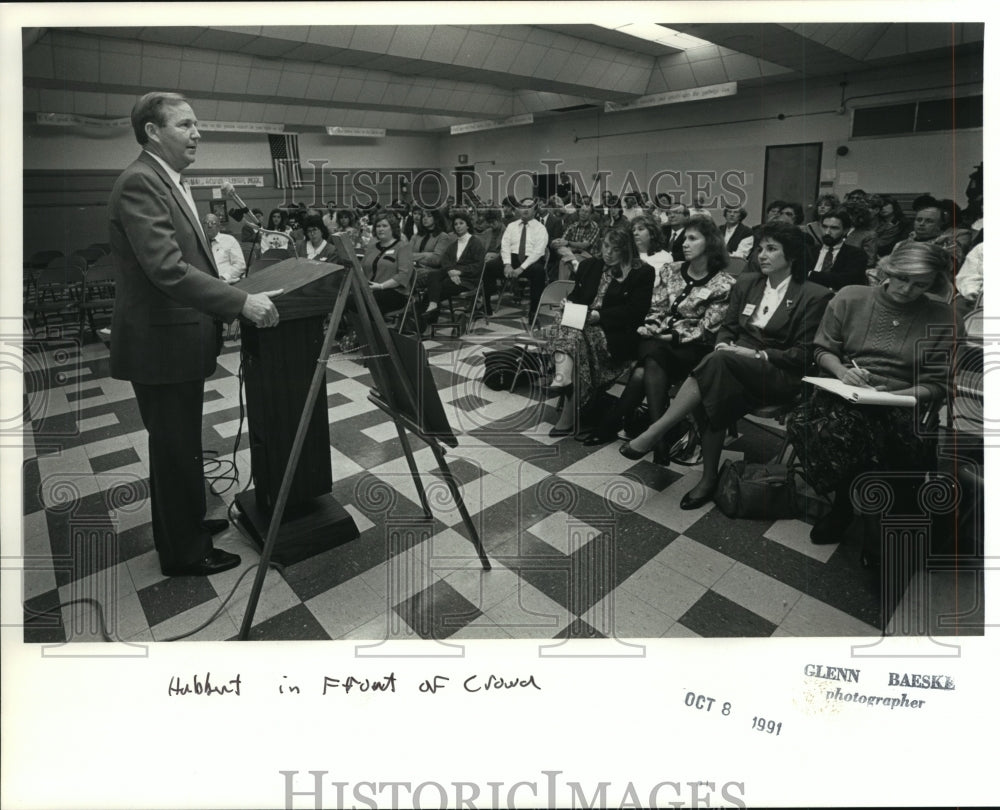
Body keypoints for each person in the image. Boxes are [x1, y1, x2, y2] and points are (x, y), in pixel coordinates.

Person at [109, 91, 281, 577]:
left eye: (195, 125)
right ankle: (183, 552)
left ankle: (185, 525)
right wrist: (239, 302)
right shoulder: (141, 182)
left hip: (176, 341)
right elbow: (167, 268)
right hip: (160, 345)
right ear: (152, 131)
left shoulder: (167, 180)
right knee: (173, 449)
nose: (197, 133)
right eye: (185, 125)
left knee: (180, 445)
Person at [620, 222, 832, 509]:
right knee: (716, 382)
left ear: (791, 256)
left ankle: (658, 434)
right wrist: (724, 345)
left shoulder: (814, 295)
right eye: (760, 248)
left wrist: (756, 356)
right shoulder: (747, 283)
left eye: (771, 249)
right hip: (731, 365)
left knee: (716, 365)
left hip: (776, 374)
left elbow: (804, 354)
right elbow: (727, 328)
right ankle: (706, 478)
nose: (762, 255)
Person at [785, 241, 955, 544]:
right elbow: (823, 350)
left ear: (934, 284)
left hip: (903, 401)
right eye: (901, 278)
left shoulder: (943, 317)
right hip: (842, 394)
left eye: (920, 285)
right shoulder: (851, 297)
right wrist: (843, 372)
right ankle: (876, 517)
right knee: (849, 429)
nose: (906, 289)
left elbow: (939, 383)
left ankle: (847, 507)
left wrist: (898, 392)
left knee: (866, 435)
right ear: (887, 269)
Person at [584, 217, 737, 454]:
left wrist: (671, 336)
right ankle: (658, 436)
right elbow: (656, 308)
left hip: (693, 347)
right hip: (657, 339)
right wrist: (653, 327)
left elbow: (707, 328)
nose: (685, 243)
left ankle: (627, 429)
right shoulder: (671, 271)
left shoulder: (724, 284)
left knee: (644, 370)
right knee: (653, 352)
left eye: (693, 238)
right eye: (685, 238)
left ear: (711, 244)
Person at [546, 227, 654, 437]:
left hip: (615, 333)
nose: (608, 253)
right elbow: (577, 296)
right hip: (582, 327)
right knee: (567, 324)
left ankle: (562, 377)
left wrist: (600, 316)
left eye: (615, 249)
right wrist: (568, 302)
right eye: (606, 247)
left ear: (627, 250)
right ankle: (566, 389)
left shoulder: (641, 271)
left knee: (572, 335)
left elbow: (636, 311)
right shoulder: (589, 265)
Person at [483, 197, 549, 318]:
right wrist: (507, 265)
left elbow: (538, 252)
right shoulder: (511, 226)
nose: (525, 209)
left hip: (530, 261)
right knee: (488, 267)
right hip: (511, 259)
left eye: (529, 207)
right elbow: (505, 245)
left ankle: (533, 311)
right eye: (523, 206)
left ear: (535, 210)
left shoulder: (541, 228)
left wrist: (521, 268)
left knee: (540, 272)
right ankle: (486, 305)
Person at [422, 210, 487, 324]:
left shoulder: (476, 243)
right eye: (455, 224)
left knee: (432, 291)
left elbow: (478, 266)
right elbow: (444, 260)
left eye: (461, 223)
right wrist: (451, 271)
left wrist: (459, 272)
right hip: (452, 276)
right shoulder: (453, 245)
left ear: (467, 225)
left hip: (468, 280)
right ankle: (432, 307)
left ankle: (427, 319)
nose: (458, 226)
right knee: (433, 275)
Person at [361, 211, 414, 315]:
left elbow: (403, 275)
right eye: (378, 226)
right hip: (371, 291)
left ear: (393, 228)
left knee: (363, 303)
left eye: (384, 226)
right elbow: (362, 268)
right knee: (349, 299)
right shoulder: (372, 247)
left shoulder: (403, 247)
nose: (380, 229)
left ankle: (373, 330)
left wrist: (381, 286)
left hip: (395, 293)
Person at [807, 207, 869, 291]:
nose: (827, 232)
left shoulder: (856, 254)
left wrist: (810, 274)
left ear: (845, 230)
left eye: (834, 228)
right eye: (824, 227)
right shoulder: (808, 251)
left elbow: (846, 280)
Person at [202, 212, 246, 283]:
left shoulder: (229, 240)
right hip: (204, 283)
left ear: (219, 226)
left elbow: (240, 264)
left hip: (226, 282)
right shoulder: (198, 242)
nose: (209, 226)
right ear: (201, 226)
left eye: (213, 223)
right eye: (206, 223)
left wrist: (224, 277)